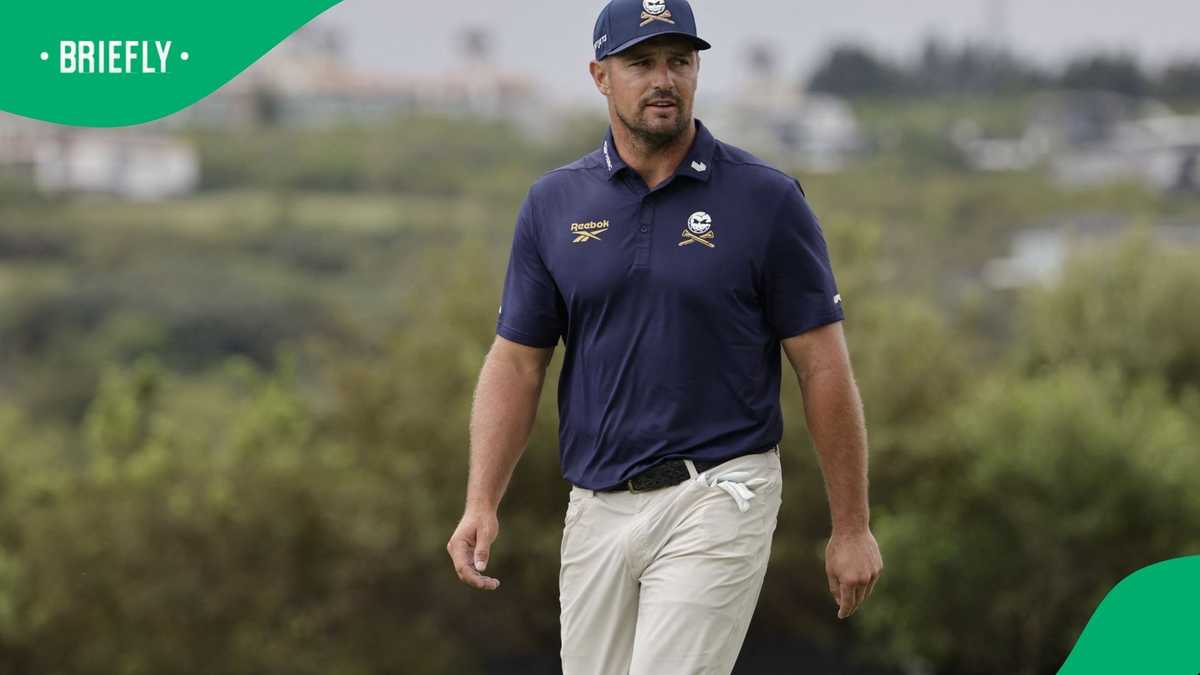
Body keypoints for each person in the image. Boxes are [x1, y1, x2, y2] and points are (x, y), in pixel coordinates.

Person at [446, 0, 883, 672]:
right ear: (600, 76)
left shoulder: (766, 200)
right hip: (596, 504)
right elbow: (517, 363)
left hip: (720, 489)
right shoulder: (553, 204)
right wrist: (481, 501)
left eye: (679, 61)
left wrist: (851, 527)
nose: (664, 79)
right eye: (641, 63)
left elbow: (823, 368)